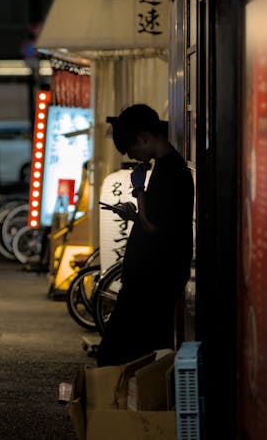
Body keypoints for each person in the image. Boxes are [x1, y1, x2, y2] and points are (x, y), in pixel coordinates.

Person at [96, 103, 195, 366]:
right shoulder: (167, 166)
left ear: (142, 137)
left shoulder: (171, 170)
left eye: (131, 148)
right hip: (153, 277)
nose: (132, 154)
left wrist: (139, 192)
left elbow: (153, 226)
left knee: (118, 351)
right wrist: (133, 213)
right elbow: (154, 220)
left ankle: (119, 401)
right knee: (141, 349)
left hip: (153, 279)